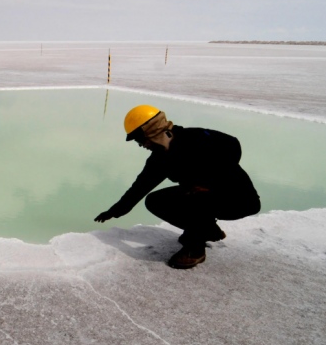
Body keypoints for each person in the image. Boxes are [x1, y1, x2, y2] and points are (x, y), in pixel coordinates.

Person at [94, 105, 260, 269]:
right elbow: (140, 187)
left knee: (197, 197)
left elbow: (233, 145)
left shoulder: (196, 138)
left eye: (140, 139)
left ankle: (195, 249)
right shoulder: (159, 159)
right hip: (204, 197)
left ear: (151, 131)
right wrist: (115, 210)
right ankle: (208, 229)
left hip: (239, 198)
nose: (140, 145)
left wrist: (210, 183)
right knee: (155, 201)